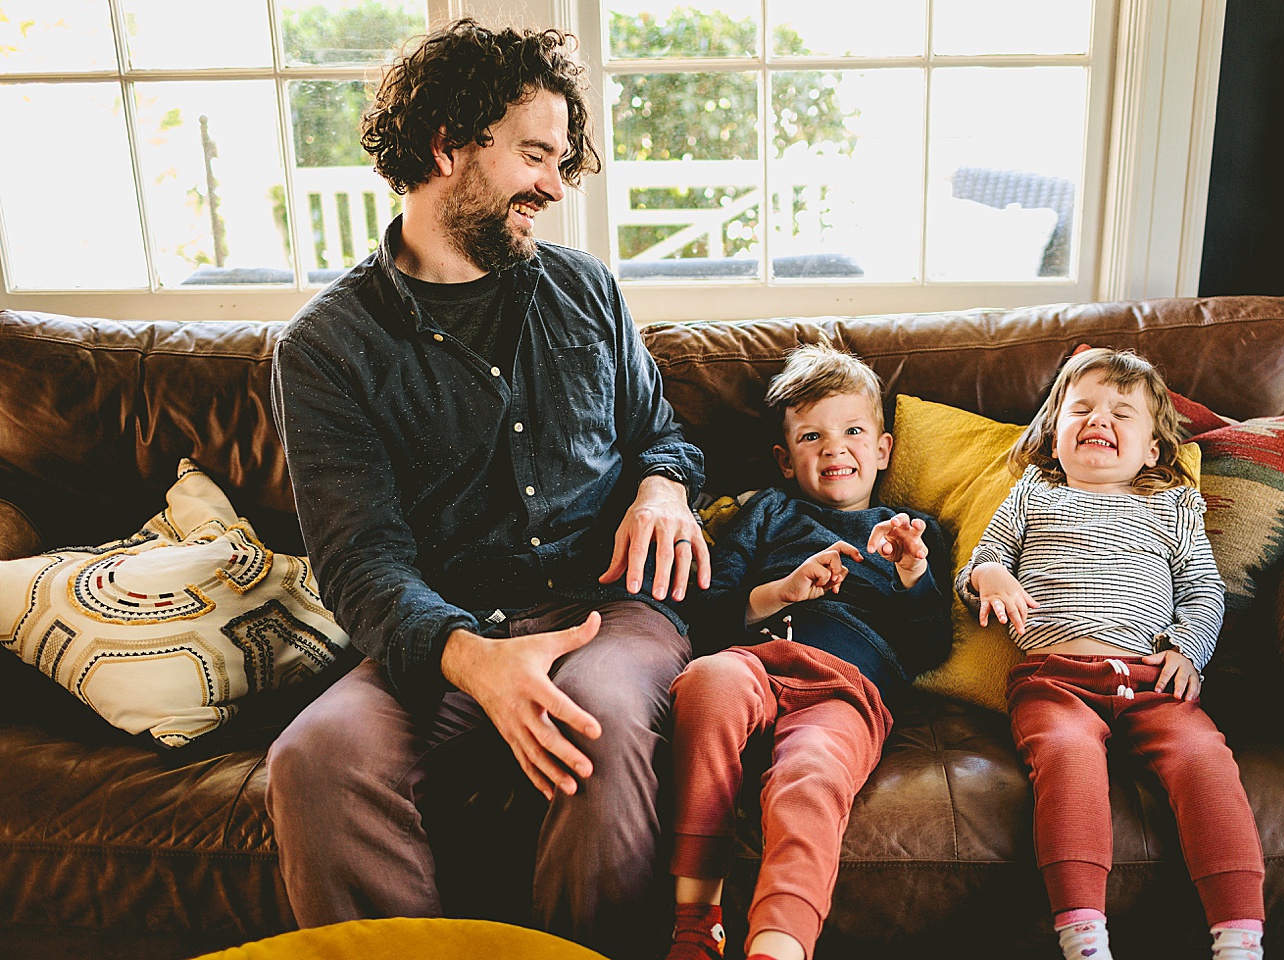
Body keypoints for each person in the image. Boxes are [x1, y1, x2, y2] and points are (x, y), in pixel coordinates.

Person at [265, 20, 709, 959]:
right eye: (534, 156)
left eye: (560, 159)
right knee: (315, 759)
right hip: (448, 626)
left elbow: (661, 437)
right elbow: (362, 561)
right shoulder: (327, 349)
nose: (554, 185)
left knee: (593, 717)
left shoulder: (587, 291)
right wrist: (472, 657)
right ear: (448, 145)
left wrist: (664, 489)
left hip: (609, 611)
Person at [956, 347, 1265, 960]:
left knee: (1205, 757)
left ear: (1152, 450)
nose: (1100, 419)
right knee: (1067, 760)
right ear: (1054, 432)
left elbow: (1203, 588)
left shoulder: (1173, 505)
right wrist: (988, 578)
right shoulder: (1032, 492)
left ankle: (1239, 935)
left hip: (1152, 678)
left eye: (1122, 413)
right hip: (1055, 680)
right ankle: (1083, 934)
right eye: (1082, 409)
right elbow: (980, 566)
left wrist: (1188, 649)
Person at [664, 342, 953, 960]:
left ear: (882, 450)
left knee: (811, 775)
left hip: (845, 689)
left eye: (853, 430)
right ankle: (696, 924)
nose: (833, 448)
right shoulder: (767, 513)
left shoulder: (915, 530)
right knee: (706, 680)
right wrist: (780, 591)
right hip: (757, 663)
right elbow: (706, 617)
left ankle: (780, 944)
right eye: (811, 437)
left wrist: (911, 575)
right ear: (785, 459)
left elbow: (930, 646)